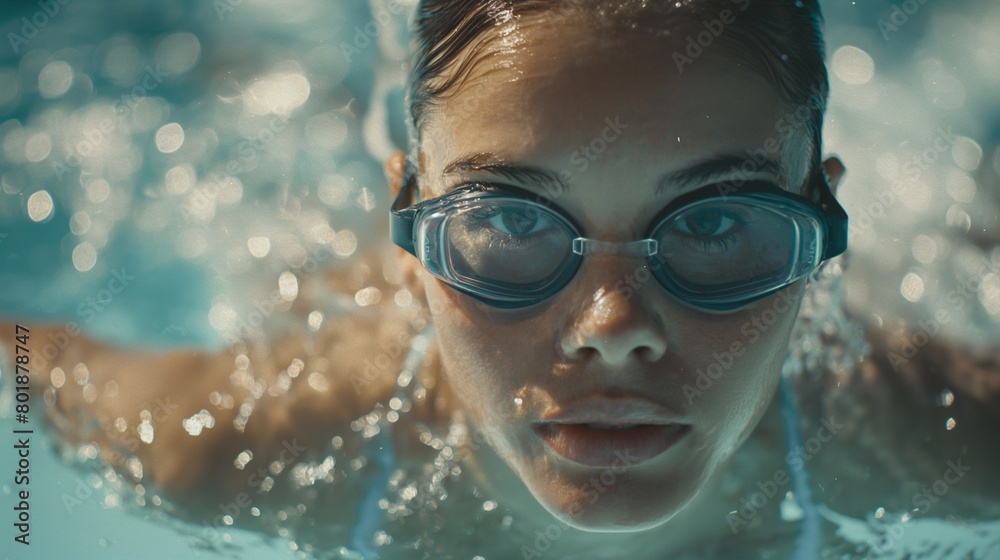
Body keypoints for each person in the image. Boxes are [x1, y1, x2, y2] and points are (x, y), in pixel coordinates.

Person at [2, 0, 998, 558]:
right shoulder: (241, 448)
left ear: (824, 223)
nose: (611, 327)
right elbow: (25, 355)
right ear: (408, 217)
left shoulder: (932, 431)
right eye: (511, 220)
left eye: (718, 223)